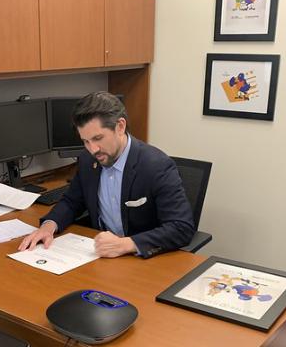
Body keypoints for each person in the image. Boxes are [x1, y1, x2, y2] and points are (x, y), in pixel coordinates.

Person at [19, 91, 195, 259]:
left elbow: (181, 228)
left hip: (141, 259)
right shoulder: (88, 161)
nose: (92, 149)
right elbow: (72, 202)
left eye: (97, 138)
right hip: (100, 257)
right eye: (85, 141)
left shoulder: (156, 166)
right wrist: (48, 226)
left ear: (120, 126)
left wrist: (127, 244)